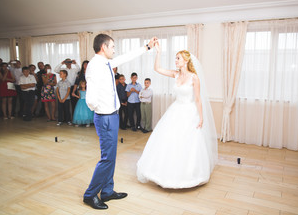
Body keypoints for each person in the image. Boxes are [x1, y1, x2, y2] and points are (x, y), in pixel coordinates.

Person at [83, 33, 156, 210]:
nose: (115, 50)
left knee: (111, 157)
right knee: (107, 158)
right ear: (103, 47)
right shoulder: (94, 66)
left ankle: (107, 191)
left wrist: (146, 47)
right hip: (105, 116)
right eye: (113, 47)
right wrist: (101, 109)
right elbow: (91, 97)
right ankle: (90, 195)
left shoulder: (106, 63)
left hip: (112, 115)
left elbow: (125, 57)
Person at [136, 46, 218, 189]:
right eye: (175, 58)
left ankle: (188, 175)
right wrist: (158, 53)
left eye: (178, 58)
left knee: (187, 143)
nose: (176, 61)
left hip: (190, 112)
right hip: (175, 110)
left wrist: (201, 117)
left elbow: (198, 99)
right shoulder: (175, 74)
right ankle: (164, 173)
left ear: (185, 61)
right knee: (169, 140)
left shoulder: (194, 78)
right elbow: (157, 69)